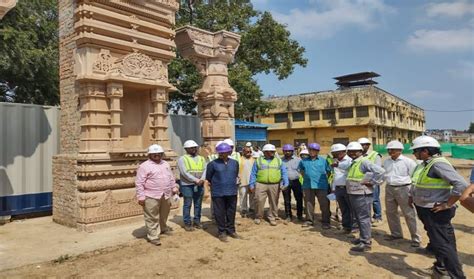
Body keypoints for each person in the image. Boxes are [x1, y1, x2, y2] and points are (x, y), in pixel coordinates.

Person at [410, 136, 467, 278]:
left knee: (443, 245)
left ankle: (456, 276)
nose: (414, 154)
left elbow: (461, 185)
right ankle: (441, 268)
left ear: (425, 151)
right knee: (443, 242)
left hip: (435, 211)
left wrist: (448, 204)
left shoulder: (437, 164)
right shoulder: (425, 164)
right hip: (426, 209)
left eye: (416, 151)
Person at [346, 141, 385, 252]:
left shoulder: (364, 162)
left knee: (363, 218)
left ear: (360, 152)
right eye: (350, 151)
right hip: (354, 193)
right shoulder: (354, 162)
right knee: (359, 217)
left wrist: (373, 182)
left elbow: (381, 171)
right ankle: (363, 238)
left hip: (362, 194)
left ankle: (366, 243)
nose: (352, 153)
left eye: (355, 151)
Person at [135, 144, 178, 246]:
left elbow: (171, 177)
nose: (157, 155)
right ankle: (153, 236)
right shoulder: (144, 166)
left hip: (166, 194)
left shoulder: (165, 164)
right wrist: (140, 197)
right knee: (151, 216)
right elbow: (139, 183)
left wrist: (174, 187)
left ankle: (163, 228)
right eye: (154, 154)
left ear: (162, 154)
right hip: (151, 195)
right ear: (149, 155)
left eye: (159, 154)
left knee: (164, 214)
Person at [383, 140, 421, 247]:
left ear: (400, 150)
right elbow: (384, 174)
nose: (390, 151)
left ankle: (416, 238)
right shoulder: (386, 162)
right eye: (389, 150)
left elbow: (414, 176)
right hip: (389, 188)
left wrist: (412, 193)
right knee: (390, 212)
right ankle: (396, 234)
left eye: (393, 150)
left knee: (409, 214)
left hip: (404, 189)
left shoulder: (408, 162)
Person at [206, 142, 241, 242]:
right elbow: (209, 178)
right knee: (219, 213)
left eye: (224, 152)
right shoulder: (212, 164)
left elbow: (235, 175)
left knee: (231, 212)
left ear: (229, 152)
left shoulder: (234, 163)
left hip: (232, 191)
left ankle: (231, 230)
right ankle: (222, 232)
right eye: (220, 152)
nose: (222, 154)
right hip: (218, 192)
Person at [249, 143, 289, 225]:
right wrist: (252, 184)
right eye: (269, 151)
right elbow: (253, 173)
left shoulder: (278, 160)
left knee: (273, 201)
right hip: (260, 184)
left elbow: (284, 172)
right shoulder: (258, 160)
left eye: (272, 151)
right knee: (259, 200)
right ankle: (258, 216)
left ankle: (272, 217)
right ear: (264, 152)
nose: (271, 153)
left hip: (275, 184)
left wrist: (286, 182)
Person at [298, 142, 332, 229]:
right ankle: (309, 220)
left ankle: (326, 222)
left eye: (314, 150)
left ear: (318, 151)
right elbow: (301, 171)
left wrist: (322, 180)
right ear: (308, 150)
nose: (312, 152)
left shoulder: (323, 161)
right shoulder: (303, 161)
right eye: (310, 150)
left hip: (322, 186)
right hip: (308, 185)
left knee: (324, 204)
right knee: (308, 204)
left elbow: (328, 172)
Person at [177, 140, 206, 231]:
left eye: (195, 148)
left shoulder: (201, 158)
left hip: (199, 184)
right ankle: (187, 223)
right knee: (187, 204)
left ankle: (197, 221)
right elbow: (184, 173)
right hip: (187, 185)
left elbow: (205, 169)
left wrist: (202, 179)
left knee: (198, 204)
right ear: (186, 149)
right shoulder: (182, 159)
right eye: (191, 148)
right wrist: (196, 180)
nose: (193, 149)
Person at [328, 143, 353, 233]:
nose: (336, 155)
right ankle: (346, 227)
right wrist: (333, 188)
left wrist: (337, 165)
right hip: (338, 188)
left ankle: (354, 227)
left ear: (343, 152)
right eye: (334, 153)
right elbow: (335, 176)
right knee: (343, 209)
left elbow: (347, 167)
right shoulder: (335, 161)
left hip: (348, 188)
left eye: (338, 153)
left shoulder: (349, 160)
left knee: (351, 209)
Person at [358, 137, 383, 225]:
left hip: (372, 182)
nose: (362, 147)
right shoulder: (359, 155)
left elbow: (378, 169)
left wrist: (373, 181)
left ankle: (378, 217)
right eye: (360, 145)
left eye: (363, 145)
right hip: (363, 181)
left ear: (368, 146)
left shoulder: (375, 155)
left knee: (375, 199)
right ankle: (367, 217)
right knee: (365, 200)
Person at [282, 144, 303, 222]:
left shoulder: (298, 160)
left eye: (289, 151)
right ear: (283, 151)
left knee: (299, 199)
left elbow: (302, 170)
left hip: (296, 182)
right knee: (287, 200)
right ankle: (288, 216)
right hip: (285, 182)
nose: (287, 152)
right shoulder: (281, 161)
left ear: (292, 151)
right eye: (286, 151)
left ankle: (299, 215)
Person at [239, 146, 256, 218]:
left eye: (250, 152)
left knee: (252, 196)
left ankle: (252, 208)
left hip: (252, 182)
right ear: (243, 152)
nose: (249, 153)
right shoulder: (239, 160)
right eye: (247, 152)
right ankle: (244, 209)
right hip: (242, 181)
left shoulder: (254, 160)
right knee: (243, 196)